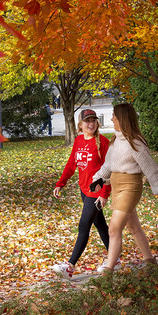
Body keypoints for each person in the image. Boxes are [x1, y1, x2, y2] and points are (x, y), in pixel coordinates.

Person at [88, 103, 158, 272]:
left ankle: (108, 272)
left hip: (130, 188)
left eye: (114, 115)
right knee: (134, 228)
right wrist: (98, 179)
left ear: (122, 118)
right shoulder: (115, 141)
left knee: (113, 228)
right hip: (116, 187)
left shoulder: (135, 142)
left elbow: (150, 169)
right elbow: (108, 165)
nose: (112, 118)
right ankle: (152, 265)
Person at [50, 108, 111, 277]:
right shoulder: (78, 141)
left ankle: (70, 266)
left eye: (93, 120)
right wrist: (61, 183)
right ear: (80, 124)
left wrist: (104, 193)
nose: (90, 124)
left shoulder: (103, 142)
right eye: (87, 121)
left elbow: (110, 170)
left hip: (96, 192)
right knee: (100, 226)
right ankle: (115, 259)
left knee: (84, 226)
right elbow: (71, 164)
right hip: (84, 190)